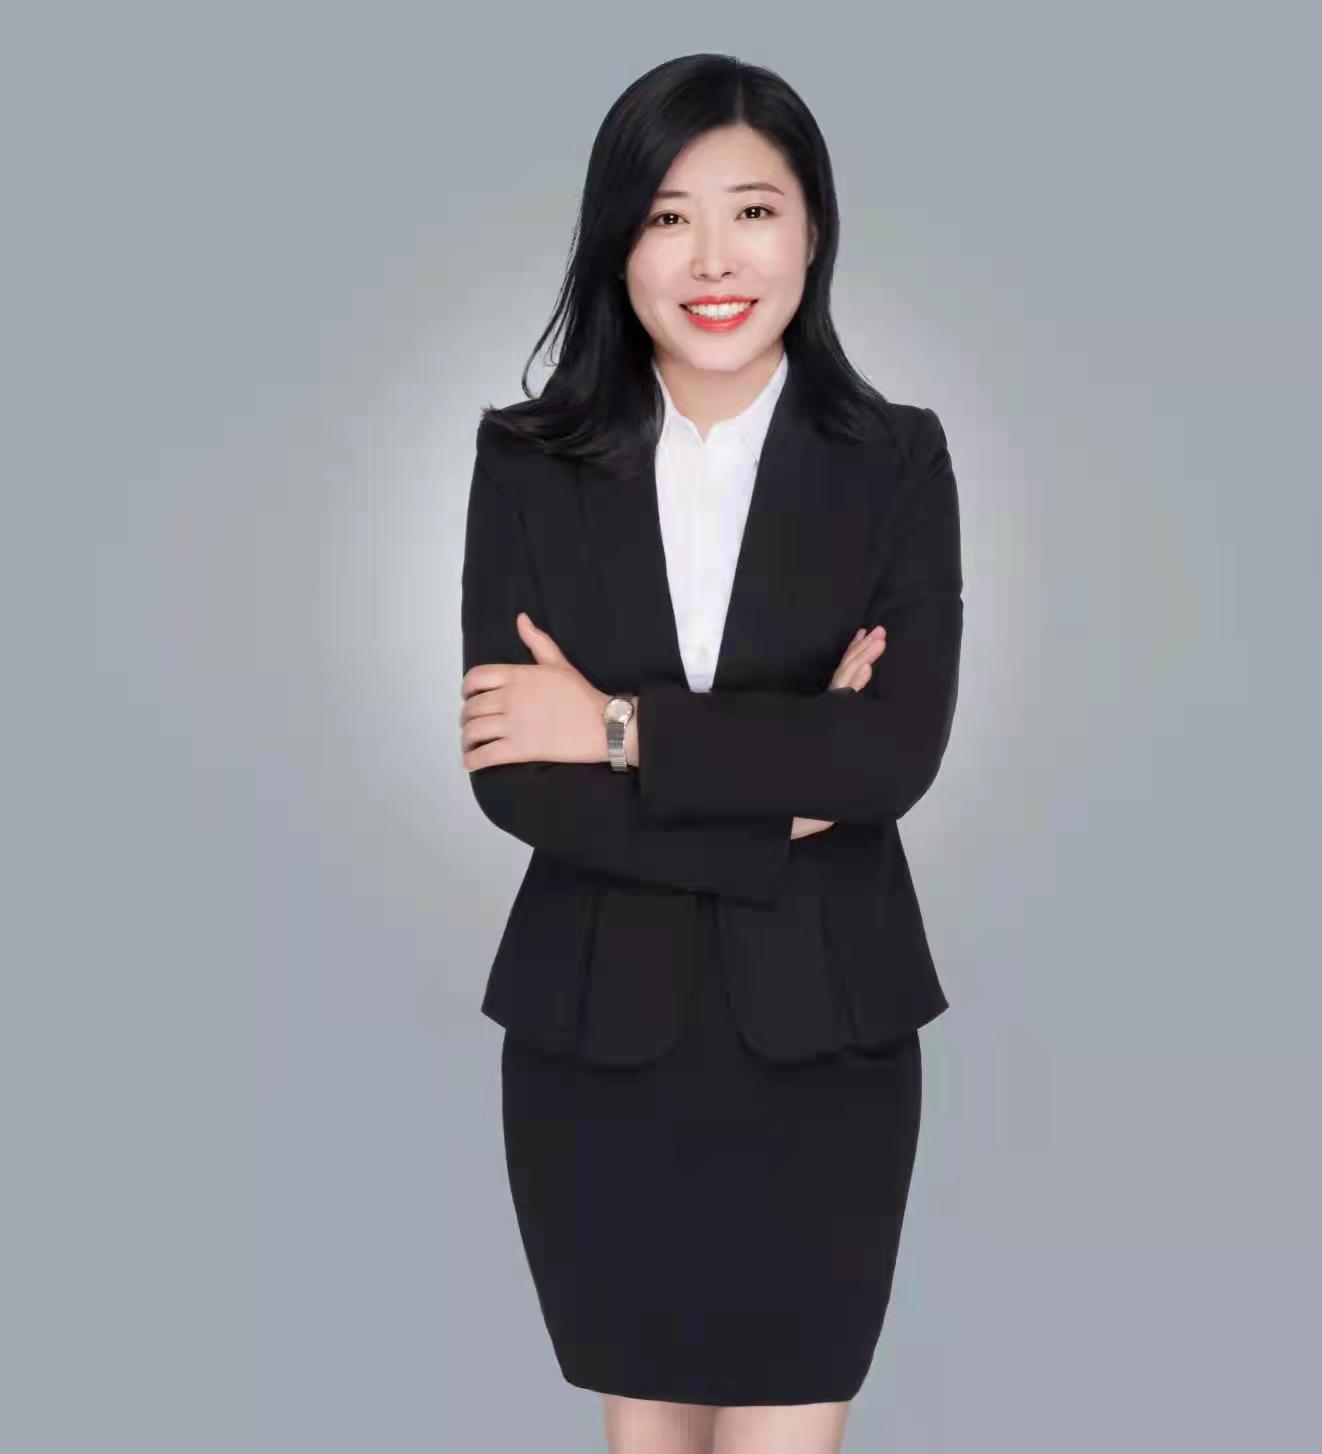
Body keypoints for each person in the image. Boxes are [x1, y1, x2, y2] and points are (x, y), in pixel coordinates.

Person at [458, 53, 963, 1454]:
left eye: (753, 211)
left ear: (813, 230)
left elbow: (887, 761)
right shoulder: (527, 460)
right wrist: (783, 785)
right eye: (668, 217)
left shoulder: (897, 460)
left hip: (827, 1041)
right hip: (595, 1042)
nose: (713, 259)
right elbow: (516, 775)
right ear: (618, 242)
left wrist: (615, 728)